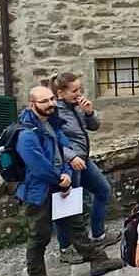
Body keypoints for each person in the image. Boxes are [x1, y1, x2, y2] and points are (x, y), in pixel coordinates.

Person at [15, 85, 119, 276]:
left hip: (60, 183)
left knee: (75, 224)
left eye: (52, 99)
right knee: (40, 235)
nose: (50, 104)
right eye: (44, 101)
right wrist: (59, 179)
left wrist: (66, 176)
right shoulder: (26, 134)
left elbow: (65, 150)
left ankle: (98, 260)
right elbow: (37, 165)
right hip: (38, 192)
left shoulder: (51, 123)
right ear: (32, 104)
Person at [47, 72, 115, 264]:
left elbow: (93, 127)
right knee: (67, 205)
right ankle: (66, 248)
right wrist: (71, 156)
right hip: (68, 164)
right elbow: (52, 140)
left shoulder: (76, 107)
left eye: (79, 89)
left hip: (84, 160)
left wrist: (89, 112)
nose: (78, 93)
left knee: (102, 189)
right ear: (60, 93)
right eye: (74, 90)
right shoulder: (54, 112)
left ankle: (98, 235)